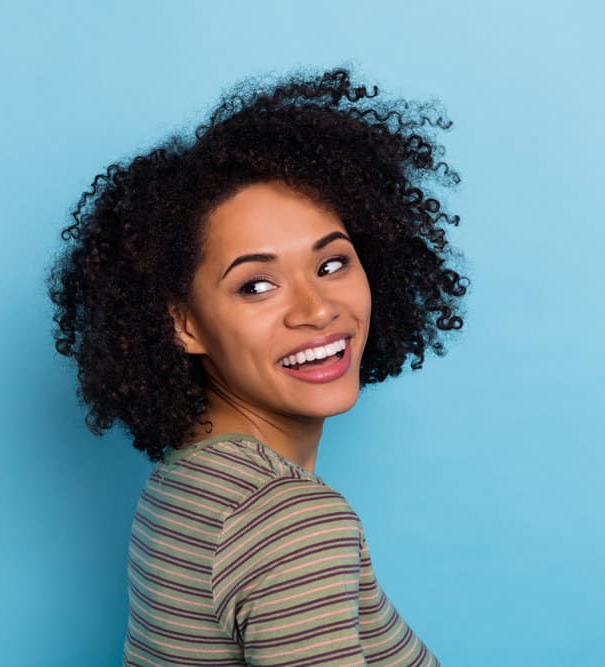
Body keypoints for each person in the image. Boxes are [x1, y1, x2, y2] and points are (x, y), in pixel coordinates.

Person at [46, 66, 466, 665]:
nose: (317, 309)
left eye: (331, 264)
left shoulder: (186, 483)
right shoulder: (286, 520)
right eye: (257, 285)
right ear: (183, 324)